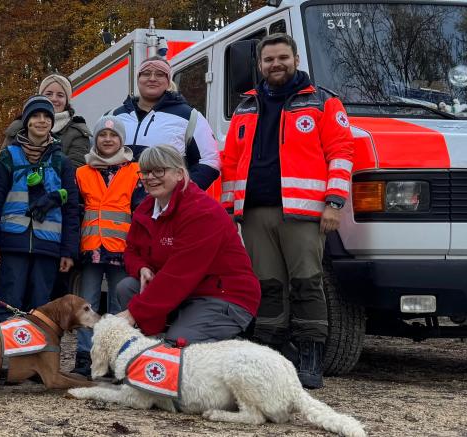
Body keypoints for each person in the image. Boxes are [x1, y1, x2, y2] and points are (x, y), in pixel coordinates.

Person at [219, 33, 354, 389]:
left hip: (304, 213)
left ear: (295, 58)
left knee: (307, 283)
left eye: (282, 57)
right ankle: (271, 353)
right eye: (268, 60)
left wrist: (334, 202)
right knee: (268, 285)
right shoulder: (245, 106)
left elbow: (341, 153)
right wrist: (230, 207)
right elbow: (230, 161)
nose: (275, 64)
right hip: (254, 213)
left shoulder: (323, 102)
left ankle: (311, 356)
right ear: (260, 65)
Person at [114, 145, 260, 346]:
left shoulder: (201, 212)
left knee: (180, 344)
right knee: (127, 287)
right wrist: (142, 268)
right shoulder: (146, 208)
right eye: (145, 172)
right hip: (183, 292)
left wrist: (134, 313)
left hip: (221, 295)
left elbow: (180, 273)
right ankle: (149, 349)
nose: (150, 177)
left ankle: (219, 350)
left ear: (179, 174)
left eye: (159, 171)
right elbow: (131, 250)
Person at [0, 95, 80, 324]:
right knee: (9, 303)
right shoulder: (9, 156)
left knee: (41, 308)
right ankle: (6, 355)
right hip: (12, 243)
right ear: (26, 121)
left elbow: (72, 210)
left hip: (48, 246)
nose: (41, 121)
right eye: (35, 116)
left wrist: (68, 251)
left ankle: (35, 356)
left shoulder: (61, 162)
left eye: (46, 116)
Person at [70, 115, 144, 377]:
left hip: (122, 250)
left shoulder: (135, 171)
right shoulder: (82, 172)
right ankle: (84, 357)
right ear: (95, 139)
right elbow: (75, 211)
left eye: (114, 136)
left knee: (117, 304)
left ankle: (115, 358)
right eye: (103, 135)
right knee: (86, 304)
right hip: (90, 248)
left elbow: (141, 211)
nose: (108, 139)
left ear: (122, 140)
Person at [110, 57, 220, 190]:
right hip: (117, 205)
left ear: (168, 81)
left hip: (165, 207)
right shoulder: (114, 116)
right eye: (146, 73)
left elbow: (210, 161)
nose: (152, 78)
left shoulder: (189, 116)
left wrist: (182, 194)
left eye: (160, 74)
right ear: (138, 79)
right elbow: (96, 158)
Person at [3, 74, 92, 168]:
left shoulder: (78, 132)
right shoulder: (18, 127)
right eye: (48, 94)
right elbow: (2, 165)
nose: (54, 99)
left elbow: (75, 171)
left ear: (67, 100)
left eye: (60, 95)